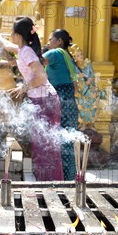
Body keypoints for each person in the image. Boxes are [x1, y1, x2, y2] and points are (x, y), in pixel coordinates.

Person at [4, 16, 64, 181]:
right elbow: (24, 64)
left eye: (12, 32)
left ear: (18, 35)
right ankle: (47, 185)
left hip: (45, 101)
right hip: (42, 100)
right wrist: (8, 63)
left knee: (46, 147)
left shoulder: (27, 51)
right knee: (42, 146)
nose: (10, 35)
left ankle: (51, 187)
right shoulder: (25, 50)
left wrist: (23, 88)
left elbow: (41, 76)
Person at [43, 29, 79, 180]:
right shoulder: (67, 56)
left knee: (59, 141)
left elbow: (35, 62)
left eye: (51, 39)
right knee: (68, 142)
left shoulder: (55, 53)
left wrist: (10, 60)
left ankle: (61, 179)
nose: (48, 42)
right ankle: (70, 178)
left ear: (59, 41)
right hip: (70, 104)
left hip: (61, 102)